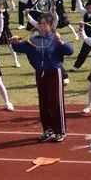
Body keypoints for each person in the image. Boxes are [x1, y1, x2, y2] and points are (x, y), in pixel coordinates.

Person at [10, 15, 75, 143]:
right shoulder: (33, 40)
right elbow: (19, 48)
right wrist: (14, 42)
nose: (42, 26)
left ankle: (60, 131)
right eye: (40, 24)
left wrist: (61, 42)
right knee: (44, 103)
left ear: (50, 26)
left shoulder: (56, 38)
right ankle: (47, 130)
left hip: (54, 72)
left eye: (45, 24)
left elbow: (70, 51)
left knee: (56, 102)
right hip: (40, 73)